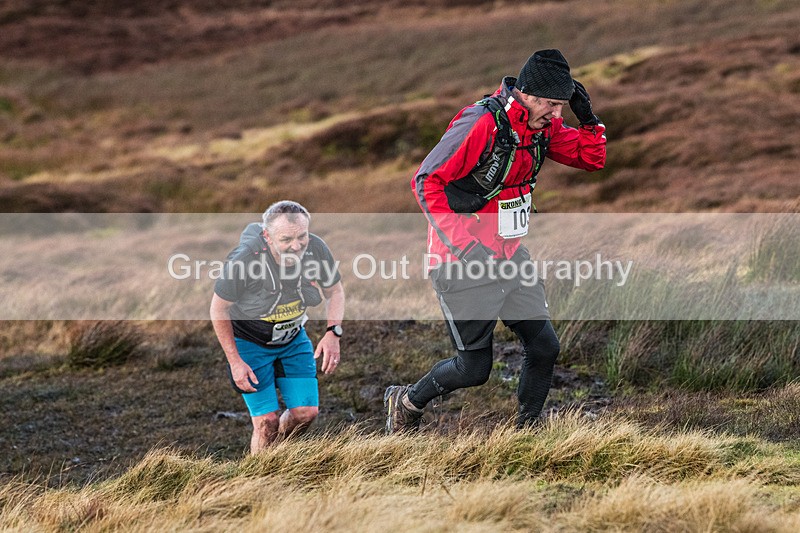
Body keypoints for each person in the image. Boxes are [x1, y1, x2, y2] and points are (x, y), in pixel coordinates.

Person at [385, 49, 606, 432]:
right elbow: (426, 181)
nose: (557, 115)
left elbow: (592, 159)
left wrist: (588, 119)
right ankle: (405, 402)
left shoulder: (541, 128)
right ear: (527, 94)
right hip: (462, 261)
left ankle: (526, 432)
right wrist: (466, 247)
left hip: (510, 255)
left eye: (562, 107)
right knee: (474, 369)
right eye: (552, 105)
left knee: (545, 347)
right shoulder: (481, 123)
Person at [211, 200, 345, 453]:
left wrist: (333, 332)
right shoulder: (245, 261)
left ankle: (278, 458)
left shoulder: (316, 249)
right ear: (267, 237)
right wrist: (235, 361)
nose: (296, 246)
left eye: (302, 237)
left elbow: (335, 291)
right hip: (249, 343)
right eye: (286, 240)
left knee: (306, 414)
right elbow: (218, 309)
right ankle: (257, 478)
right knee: (266, 422)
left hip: (292, 340)